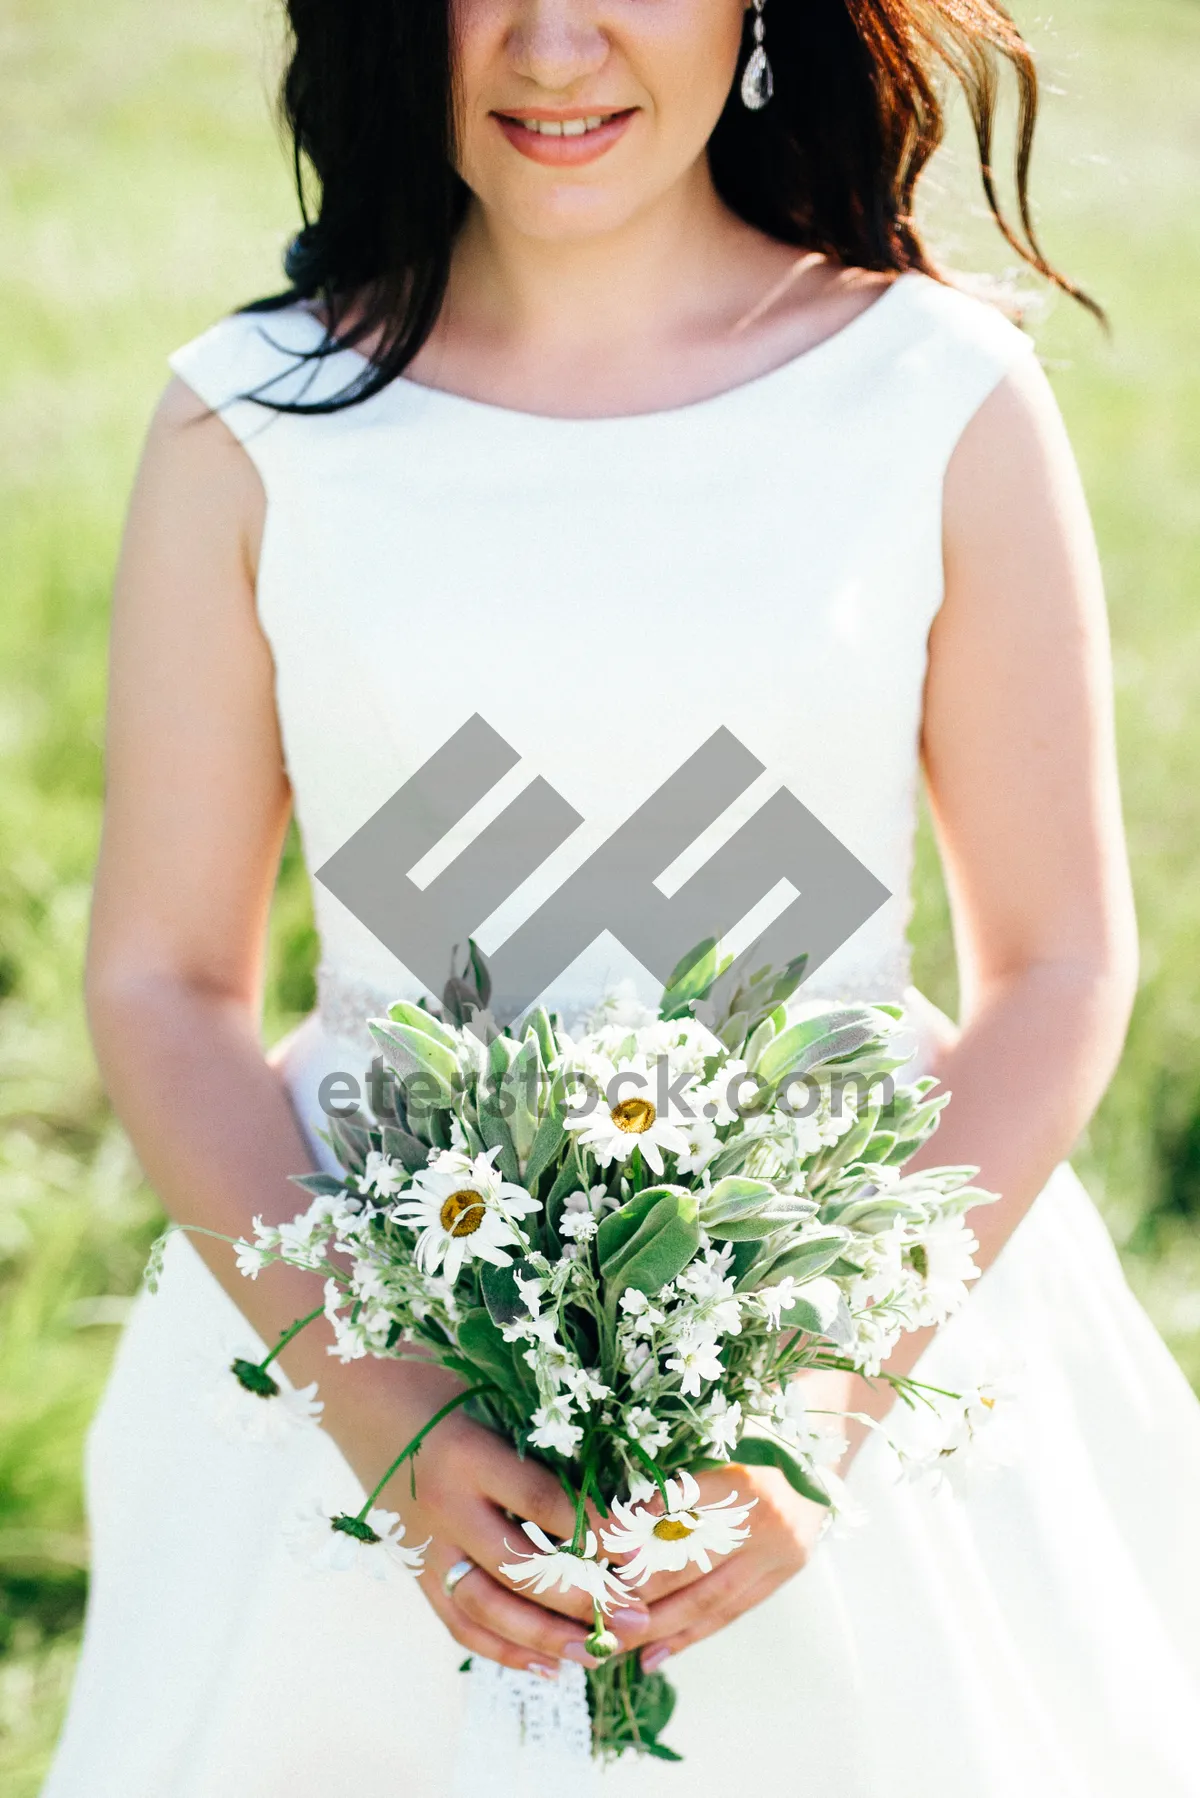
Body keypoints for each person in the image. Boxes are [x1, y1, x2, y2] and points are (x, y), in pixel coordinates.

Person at [43, 0, 1200, 1793]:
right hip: (366, 1332)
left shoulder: (936, 393)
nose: (553, 43)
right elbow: (164, 980)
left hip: (862, 1344)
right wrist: (386, 1402)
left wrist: (826, 1397)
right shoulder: (253, 423)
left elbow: (1055, 963)